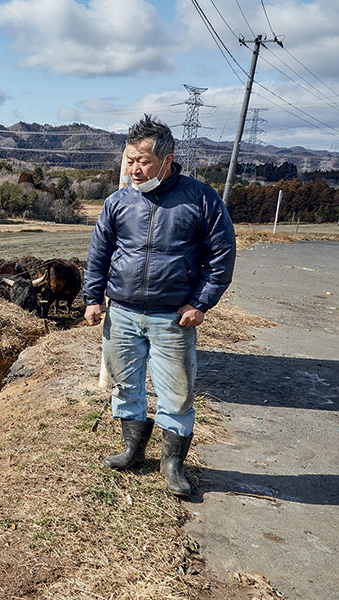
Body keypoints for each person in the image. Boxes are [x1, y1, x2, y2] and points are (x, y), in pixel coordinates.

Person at [82, 114, 236, 497]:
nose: (134, 169)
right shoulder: (118, 202)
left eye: (143, 161)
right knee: (124, 384)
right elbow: (98, 255)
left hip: (173, 318)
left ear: (167, 160)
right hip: (122, 314)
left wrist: (200, 303)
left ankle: (172, 464)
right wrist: (92, 298)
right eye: (130, 160)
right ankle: (133, 450)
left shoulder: (201, 199)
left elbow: (221, 257)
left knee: (177, 392)